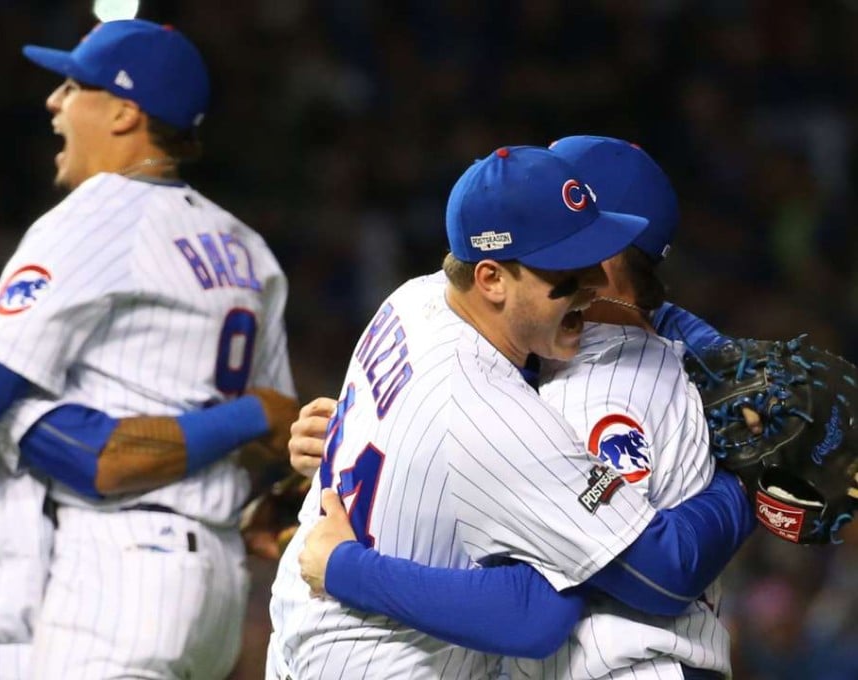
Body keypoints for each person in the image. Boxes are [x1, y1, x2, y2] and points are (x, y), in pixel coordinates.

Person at [0, 18, 296, 680]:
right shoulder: (247, 248)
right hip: (86, 623)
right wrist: (250, 441)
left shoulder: (87, 222)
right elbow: (95, 452)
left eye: (72, 86)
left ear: (122, 112)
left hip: (110, 592)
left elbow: (65, 439)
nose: (53, 102)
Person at [267, 145, 754, 679]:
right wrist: (747, 481)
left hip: (304, 637)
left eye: (593, 262)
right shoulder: (495, 408)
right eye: (565, 277)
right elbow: (547, 610)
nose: (587, 289)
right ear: (492, 278)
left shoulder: (411, 301)